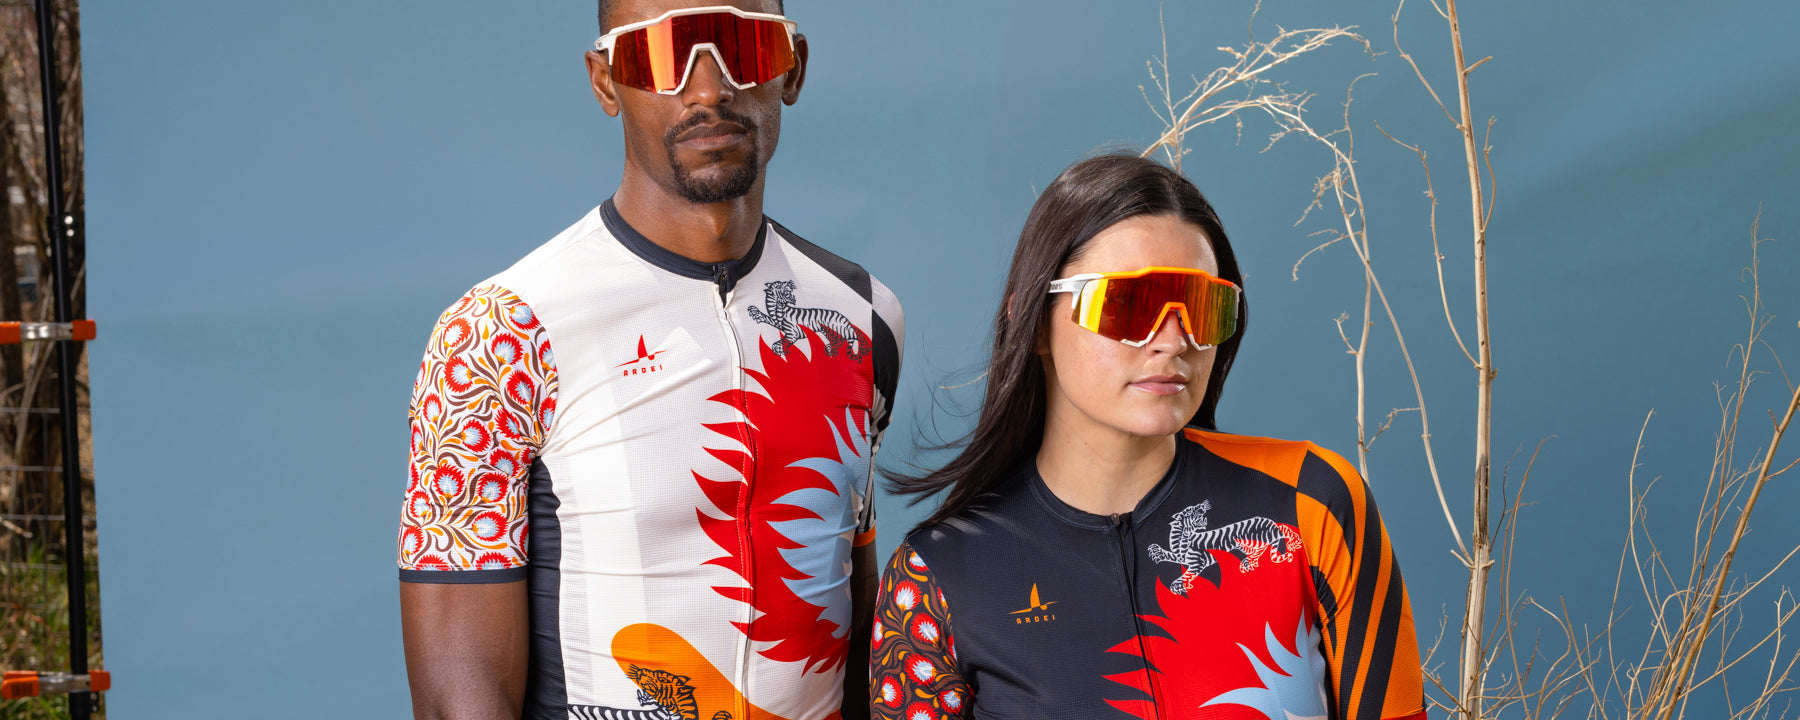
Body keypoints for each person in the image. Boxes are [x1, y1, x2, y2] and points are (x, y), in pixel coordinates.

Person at [397, 2, 902, 719]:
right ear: (606, 83)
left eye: (743, 45)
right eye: (661, 54)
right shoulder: (498, 334)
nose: (707, 88)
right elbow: (460, 691)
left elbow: (850, 599)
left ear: (793, 66)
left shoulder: (863, 317)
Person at [870, 154, 1423, 720]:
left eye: (1204, 307)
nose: (1174, 339)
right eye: (1130, 304)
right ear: (1034, 320)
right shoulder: (935, 577)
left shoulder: (1312, 503)